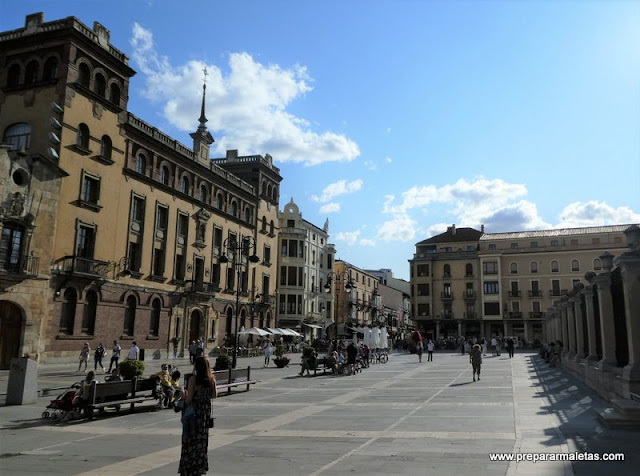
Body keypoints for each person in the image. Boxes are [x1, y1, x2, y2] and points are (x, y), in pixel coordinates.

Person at [179, 356, 217, 476]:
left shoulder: (193, 379)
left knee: (189, 439)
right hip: (204, 415)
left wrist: (183, 395)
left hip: (193, 415)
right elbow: (214, 395)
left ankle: (188, 467)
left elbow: (189, 400)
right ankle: (199, 467)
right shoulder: (211, 379)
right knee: (201, 441)